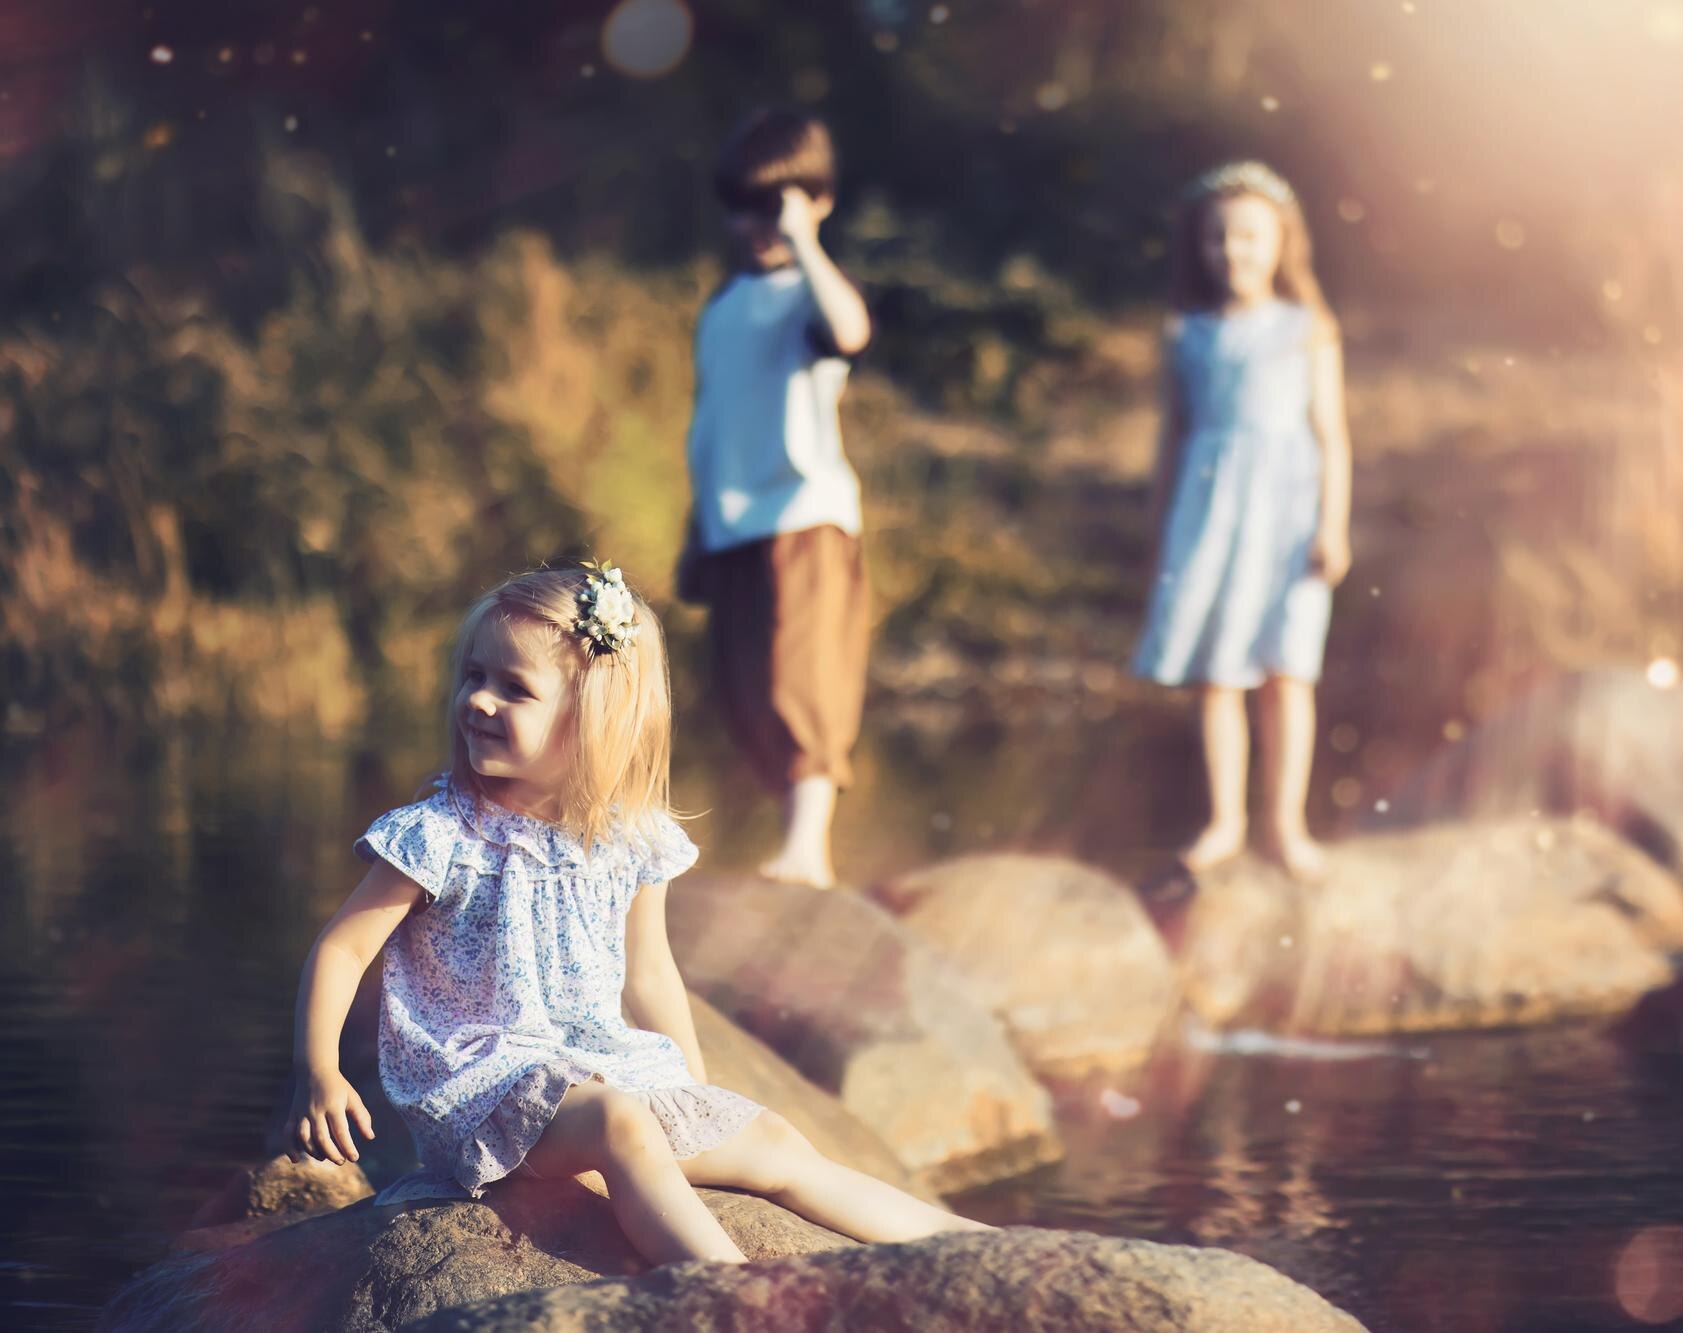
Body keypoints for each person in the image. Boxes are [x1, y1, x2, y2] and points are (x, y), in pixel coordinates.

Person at [285, 564, 984, 1264]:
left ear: (593, 718)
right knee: (619, 1124)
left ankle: (980, 1248)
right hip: (483, 1084)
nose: (479, 701)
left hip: (600, 1066)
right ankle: (733, 1294)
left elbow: (650, 975)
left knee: (775, 1143)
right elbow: (345, 948)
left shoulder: (629, 839)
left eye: (514, 688)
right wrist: (319, 1069)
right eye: (475, 676)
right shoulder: (440, 835)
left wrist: (695, 1097)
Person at [1132, 161, 1355, 879]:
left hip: (1286, 517)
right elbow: (1172, 437)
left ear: (1281, 241)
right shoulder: (1187, 334)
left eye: (1250, 236)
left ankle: (1286, 824)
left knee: (1287, 670)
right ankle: (1224, 821)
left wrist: (1333, 525)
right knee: (1219, 674)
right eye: (1218, 237)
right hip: (1211, 516)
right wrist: (1160, 528)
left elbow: (1332, 434)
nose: (1234, 252)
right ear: (1199, 246)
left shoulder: (1306, 329)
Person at [677, 107, 872, 890]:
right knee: (745, 690)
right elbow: (711, 424)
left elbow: (850, 333)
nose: (753, 225)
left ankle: (808, 847)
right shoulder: (723, 307)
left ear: (815, 201)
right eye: (742, 208)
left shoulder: (807, 295)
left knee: (802, 678)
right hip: (731, 524)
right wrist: (696, 526)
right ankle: (791, 836)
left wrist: (805, 241)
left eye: (771, 206)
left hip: (802, 515)